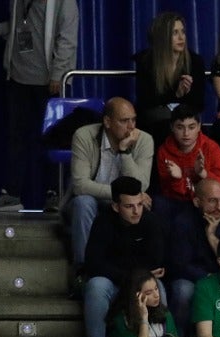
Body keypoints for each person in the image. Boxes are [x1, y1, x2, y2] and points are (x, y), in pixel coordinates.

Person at [81, 176, 167, 337]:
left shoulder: (150, 221)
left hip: (136, 280)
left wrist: (128, 269)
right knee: (96, 286)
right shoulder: (103, 222)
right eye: (129, 206)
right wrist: (131, 272)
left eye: (139, 204)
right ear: (115, 206)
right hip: (115, 281)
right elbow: (94, 263)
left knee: (158, 287)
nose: (137, 211)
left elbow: (156, 260)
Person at [62, 98, 153, 273]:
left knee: (142, 206)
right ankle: (83, 270)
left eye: (133, 120)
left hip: (122, 205)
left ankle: (136, 271)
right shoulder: (84, 136)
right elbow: (80, 185)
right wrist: (119, 194)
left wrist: (125, 151)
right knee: (84, 202)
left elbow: (141, 186)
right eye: (124, 121)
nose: (131, 127)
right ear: (107, 122)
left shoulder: (144, 140)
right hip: (93, 201)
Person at [167, 179, 220, 324]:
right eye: (212, 201)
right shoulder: (183, 222)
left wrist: (211, 236)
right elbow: (180, 264)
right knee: (183, 292)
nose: (219, 206)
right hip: (194, 277)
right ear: (197, 202)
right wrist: (206, 276)